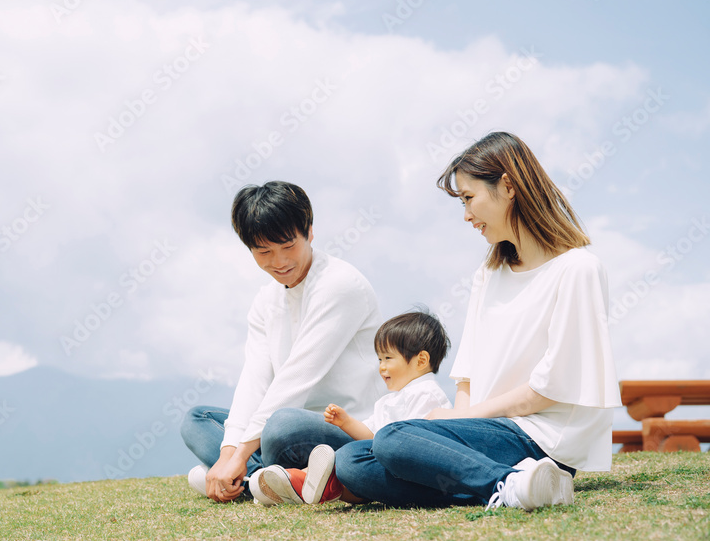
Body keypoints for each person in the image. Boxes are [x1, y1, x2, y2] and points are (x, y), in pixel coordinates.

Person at [334, 131, 621, 511]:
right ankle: (513, 484)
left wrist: (464, 416)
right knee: (352, 462)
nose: (466, 214)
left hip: (539, 437)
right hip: (484, 428)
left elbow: (551, 388)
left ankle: (503, 481)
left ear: (507, 186)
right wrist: (456, 421)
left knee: (392, 438)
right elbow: (467, 375)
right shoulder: (488, 274)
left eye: (469, 198)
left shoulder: (577, 269)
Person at [181, 181, 383, 503]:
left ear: (309, 233)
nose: (279, 261)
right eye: (264, 252)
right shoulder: (265, 301)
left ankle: (255, 479)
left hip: (352, 427)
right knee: (197, 420)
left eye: (288, 246)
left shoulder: (339, 285)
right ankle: (269, 479)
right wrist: (229, 451)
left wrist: (240, 454)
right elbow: (255, 379)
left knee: (281, 424)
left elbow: (296, 378)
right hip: (284, 427)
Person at [254, 310, 454, 505]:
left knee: (347, 458)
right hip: (384, 461)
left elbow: (417, 447)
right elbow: (370, 434)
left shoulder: (426, 393)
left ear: (421, 360)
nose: (381, 366)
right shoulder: (389, 400)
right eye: (379, 359)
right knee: (348, 457)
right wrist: (346, 422)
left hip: (406, 472)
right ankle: (294, 484)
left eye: (388, 358)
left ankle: (296, 483)